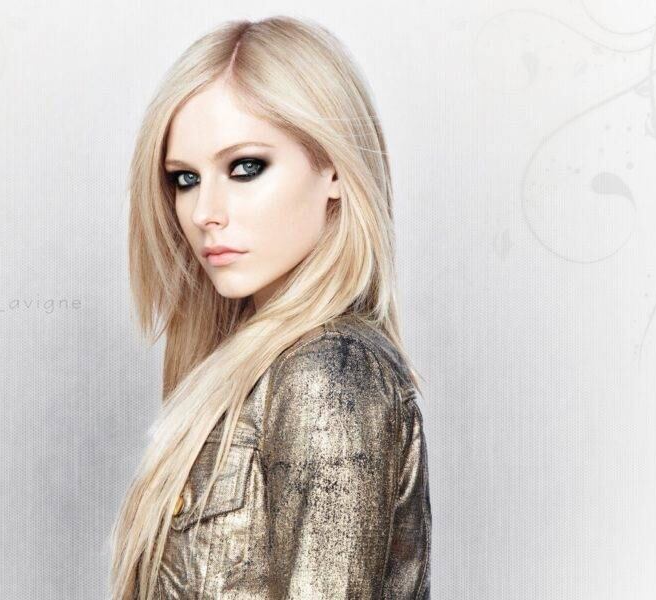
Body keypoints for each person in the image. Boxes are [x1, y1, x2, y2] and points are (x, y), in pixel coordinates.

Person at [109, 15, 431, 599]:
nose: (205, 212)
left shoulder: (326, 373)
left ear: (333, 169)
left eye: (245, 168)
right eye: (184, 179)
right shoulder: (253, 372)